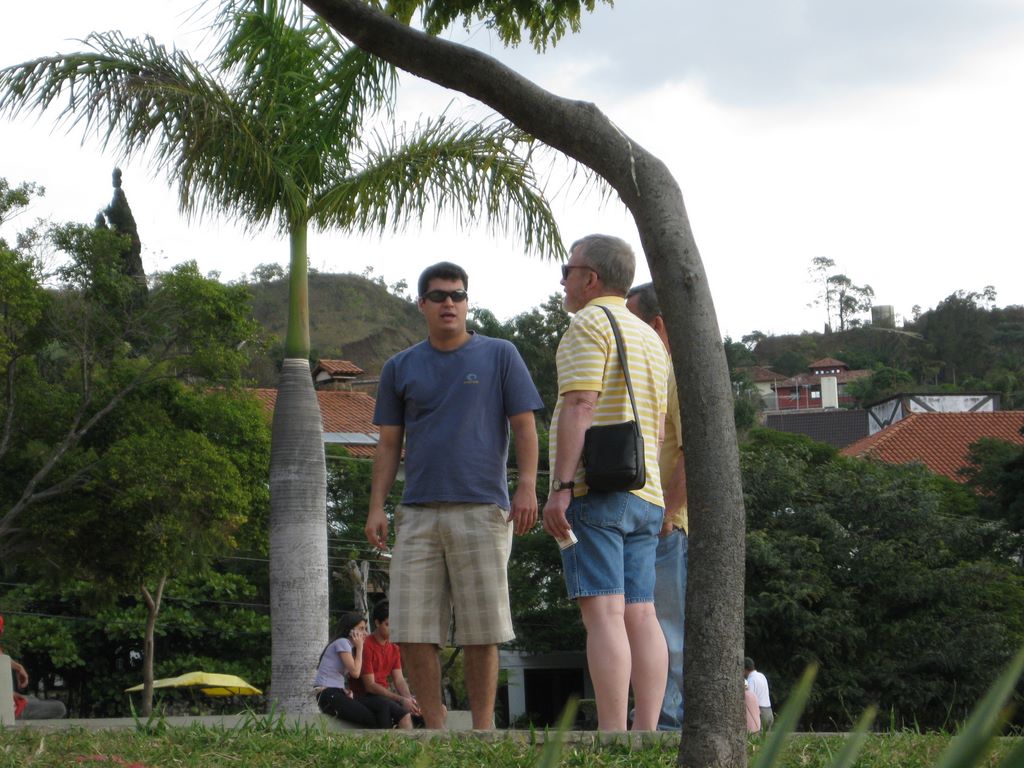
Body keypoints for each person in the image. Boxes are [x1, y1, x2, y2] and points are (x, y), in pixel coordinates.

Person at [366, 261, 544, 730]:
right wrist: (376, 507)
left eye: (458, 295)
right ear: (422, 304)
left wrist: (527, 485)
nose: (449, 303)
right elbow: (388, 443)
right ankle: (437, 732)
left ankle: (482, 732)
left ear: (467, 303)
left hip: (482, 508)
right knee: (412, 629)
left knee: (482, 629)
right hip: (417, 512)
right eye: (439, 295)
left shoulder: (500, 354)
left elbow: (525, 425)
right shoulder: (399, 366)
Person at [542, 234, 671, 731]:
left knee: (604, 613)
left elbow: (580, 404)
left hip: (598, 490)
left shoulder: (588, 324)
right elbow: (659, 429)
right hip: (647, 493)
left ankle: (613, 735)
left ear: (590, 278)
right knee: (642, 613)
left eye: (568, 271)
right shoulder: (650, 338)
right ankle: (647, 732)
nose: (563, 281)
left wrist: (562, 487)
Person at [625, 281, 688, 731]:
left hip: (665, 525)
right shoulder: (649, 371)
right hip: (642, 520)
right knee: (640, 624)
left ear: (658, 325)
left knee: (667, 627)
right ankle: (651, 716)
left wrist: (669, 513)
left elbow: (691, 451)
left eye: (632, 321)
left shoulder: (675, 374)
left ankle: (669, 720)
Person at [314, 612, 410, 729]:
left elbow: (337, 675)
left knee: (382, 707)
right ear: (350, 631)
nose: (365, 633)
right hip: (328, 695)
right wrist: (360, 648)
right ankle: (385, 738)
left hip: (337, 693)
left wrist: (344, 690)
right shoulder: (342, 642)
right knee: (371, 718)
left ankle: (389, 737)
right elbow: (355, 673)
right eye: (361, 629)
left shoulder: (349, 647)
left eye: (365, 629)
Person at [349, 601, 420, 728]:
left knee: (438, 709)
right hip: (365, 697)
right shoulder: (366, 645)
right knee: (404, 716)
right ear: (377, 623)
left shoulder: (394, 648)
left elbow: (399, 680)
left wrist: (409, 700)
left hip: (385, 697)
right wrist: (401, 699)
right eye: (388, 624)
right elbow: (370, 686)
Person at [0, 614, 67, 720]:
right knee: (60, 707)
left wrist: (18, 667)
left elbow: (2, 658)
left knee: (32, 699)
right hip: (9, 710)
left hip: (8, 701)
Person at [745, 656, 774, 730]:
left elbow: (750, 700)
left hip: (761, 713)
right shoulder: (761, 675)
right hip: (769, 711)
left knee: (757, 736)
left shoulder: (751, 680)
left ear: (745, 669)